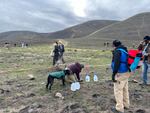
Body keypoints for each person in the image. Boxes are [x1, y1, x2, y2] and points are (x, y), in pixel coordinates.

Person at [111, 40, 130, 113]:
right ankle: (126, 105)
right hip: (126, 72)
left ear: (114, 45)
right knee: (125, 89)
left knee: (118, 91)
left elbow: (117, 63)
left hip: (120, 73)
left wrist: (113, 74)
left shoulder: (117, 51)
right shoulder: (124, 50)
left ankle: (119, 109)